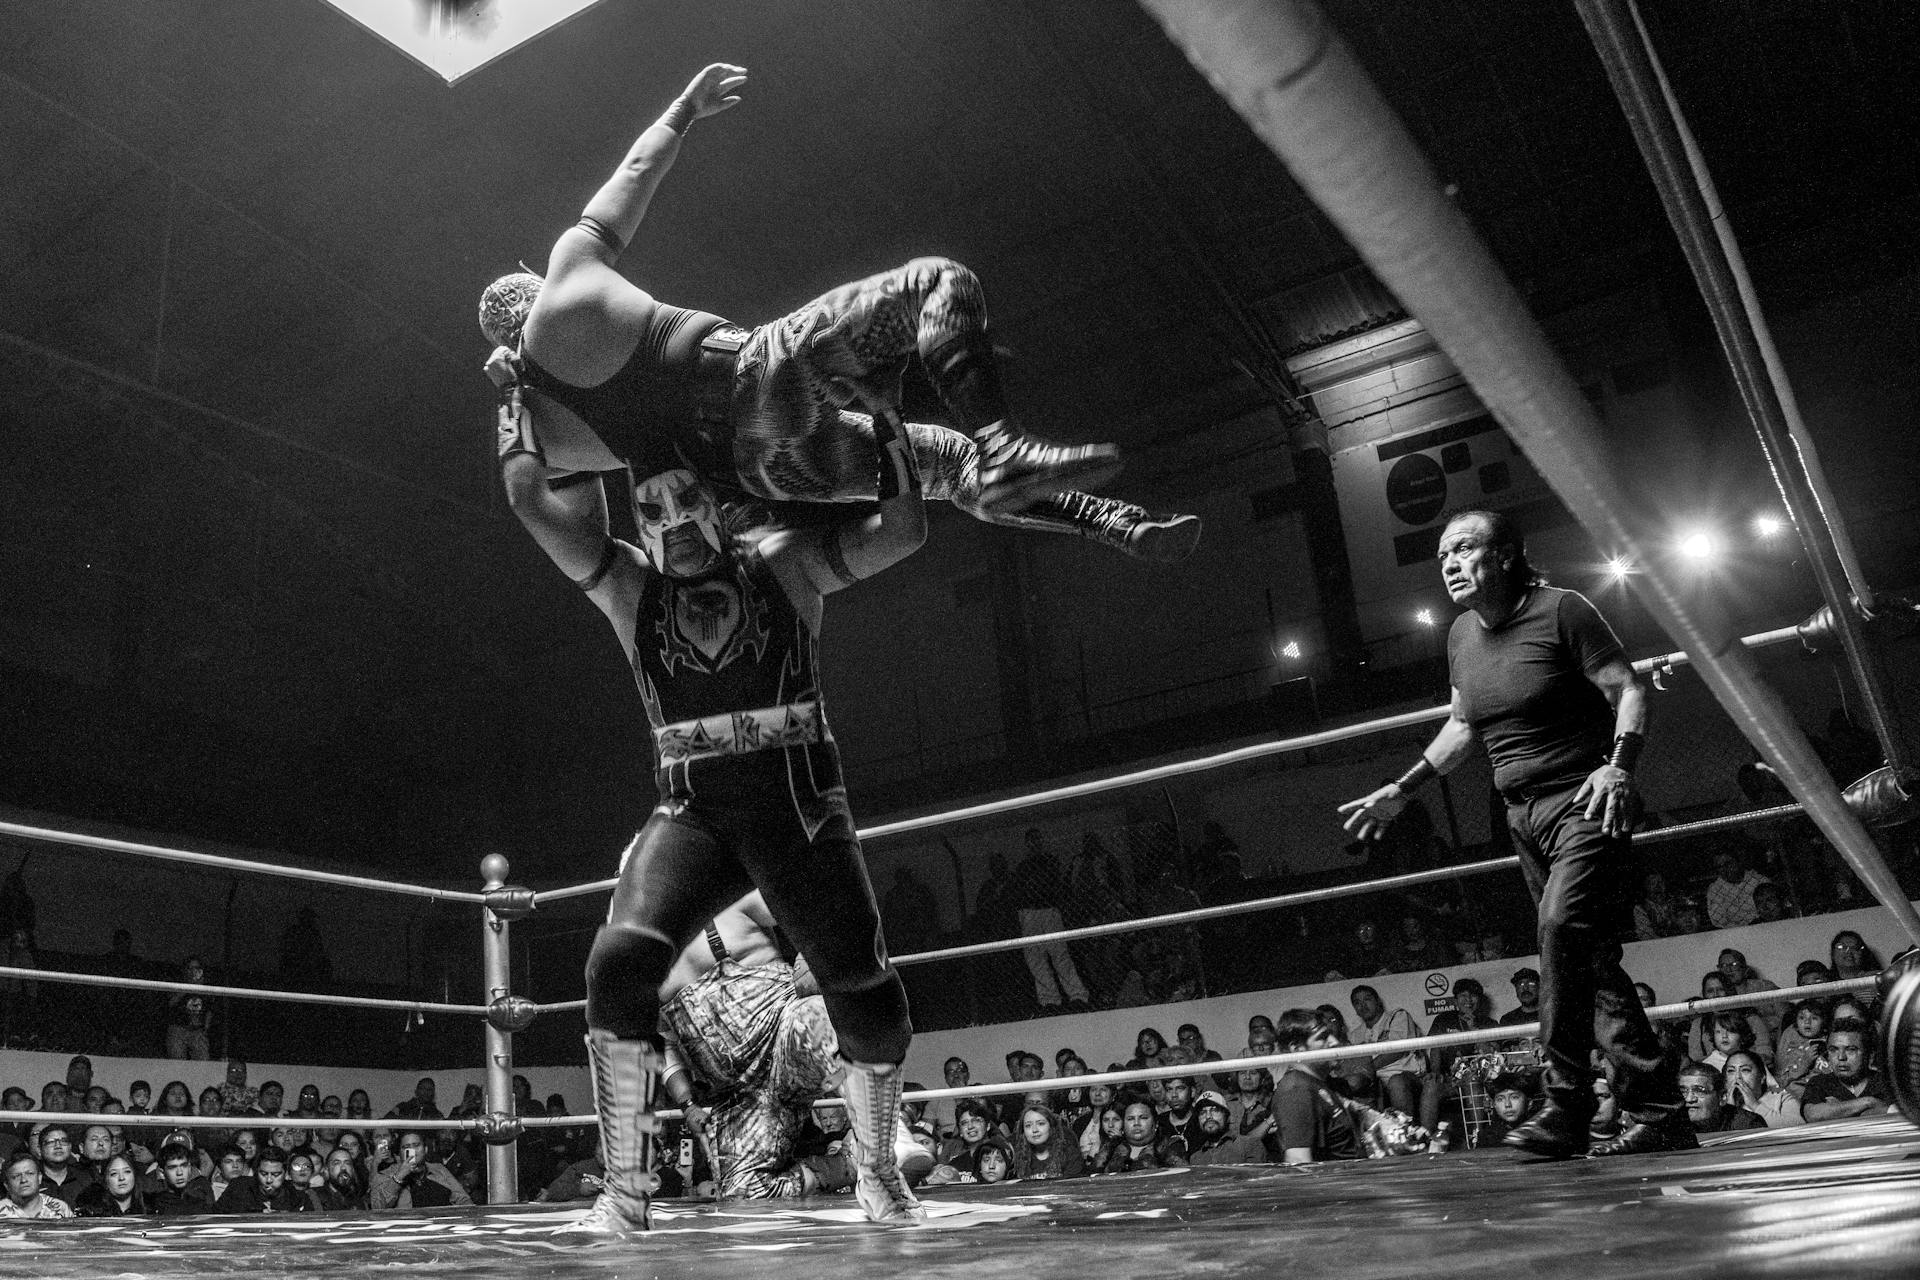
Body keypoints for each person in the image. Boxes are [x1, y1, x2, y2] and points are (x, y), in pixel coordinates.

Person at [477, 67, 1207, 570]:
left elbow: (587, 544)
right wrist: (683, 110)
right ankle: (1006, 443)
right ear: (533, 290)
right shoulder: (570, 272)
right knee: (935, 284)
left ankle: (1112, 521)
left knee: (943, 468)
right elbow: (634, 174)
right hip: (756, 381)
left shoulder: (541, 430)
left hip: (764, 470)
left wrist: (518, 406)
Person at [503, 382, 928, 1236]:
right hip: (691, 809)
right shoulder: (629, 587)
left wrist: (887, 425)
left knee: (864, 989)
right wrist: (524, 397)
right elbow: (534, 499)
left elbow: (904, 530)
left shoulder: (783, 561)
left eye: (684, 495)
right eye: (650, 501)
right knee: (615, 965)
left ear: (717, 498)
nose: (669, 514)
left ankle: (878, 1168)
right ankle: (625, 1193)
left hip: (797, 800)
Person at [1339, 509, 1688, 1158]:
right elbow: (1463, 725)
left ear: (1504, 556)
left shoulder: (1563, 611)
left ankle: (1565, 1105)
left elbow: (1629, 689)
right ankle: (1661, 1111)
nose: (1448, 563)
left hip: (1584, 802)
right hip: (1521, 816)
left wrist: (1619, 767)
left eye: (1464, 549)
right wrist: (1401, 788)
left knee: (1558, 932)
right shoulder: (1461, 637)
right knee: (1589, 963)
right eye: (1442, 553)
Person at [654, 891, 931, 1203]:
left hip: (785, 1041)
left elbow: (808, 902)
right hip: (742, 1096)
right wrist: (687, 1104)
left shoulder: (731, 904)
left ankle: (889, 1140)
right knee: (743, 1191)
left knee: (818, 1018)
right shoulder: (649, 965)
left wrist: (815, 955)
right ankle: (849, 1163)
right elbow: (665, 1043)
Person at [370, 1132, 472, 1210]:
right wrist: (399, 1177)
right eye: (406, 1147)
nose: (412, 1151)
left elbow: (464, 1200)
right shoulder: (385, 1175)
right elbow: (377, 1208)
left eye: (416, 1145)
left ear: (426, 1149)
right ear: (399, 1152)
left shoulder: (439, 1169)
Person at [0, 1150, 75, 1220]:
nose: (23, 1180)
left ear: (39, 1178)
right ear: (6, 1185)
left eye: (30, 1174)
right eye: (16, 1176)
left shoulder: (60, 1208)